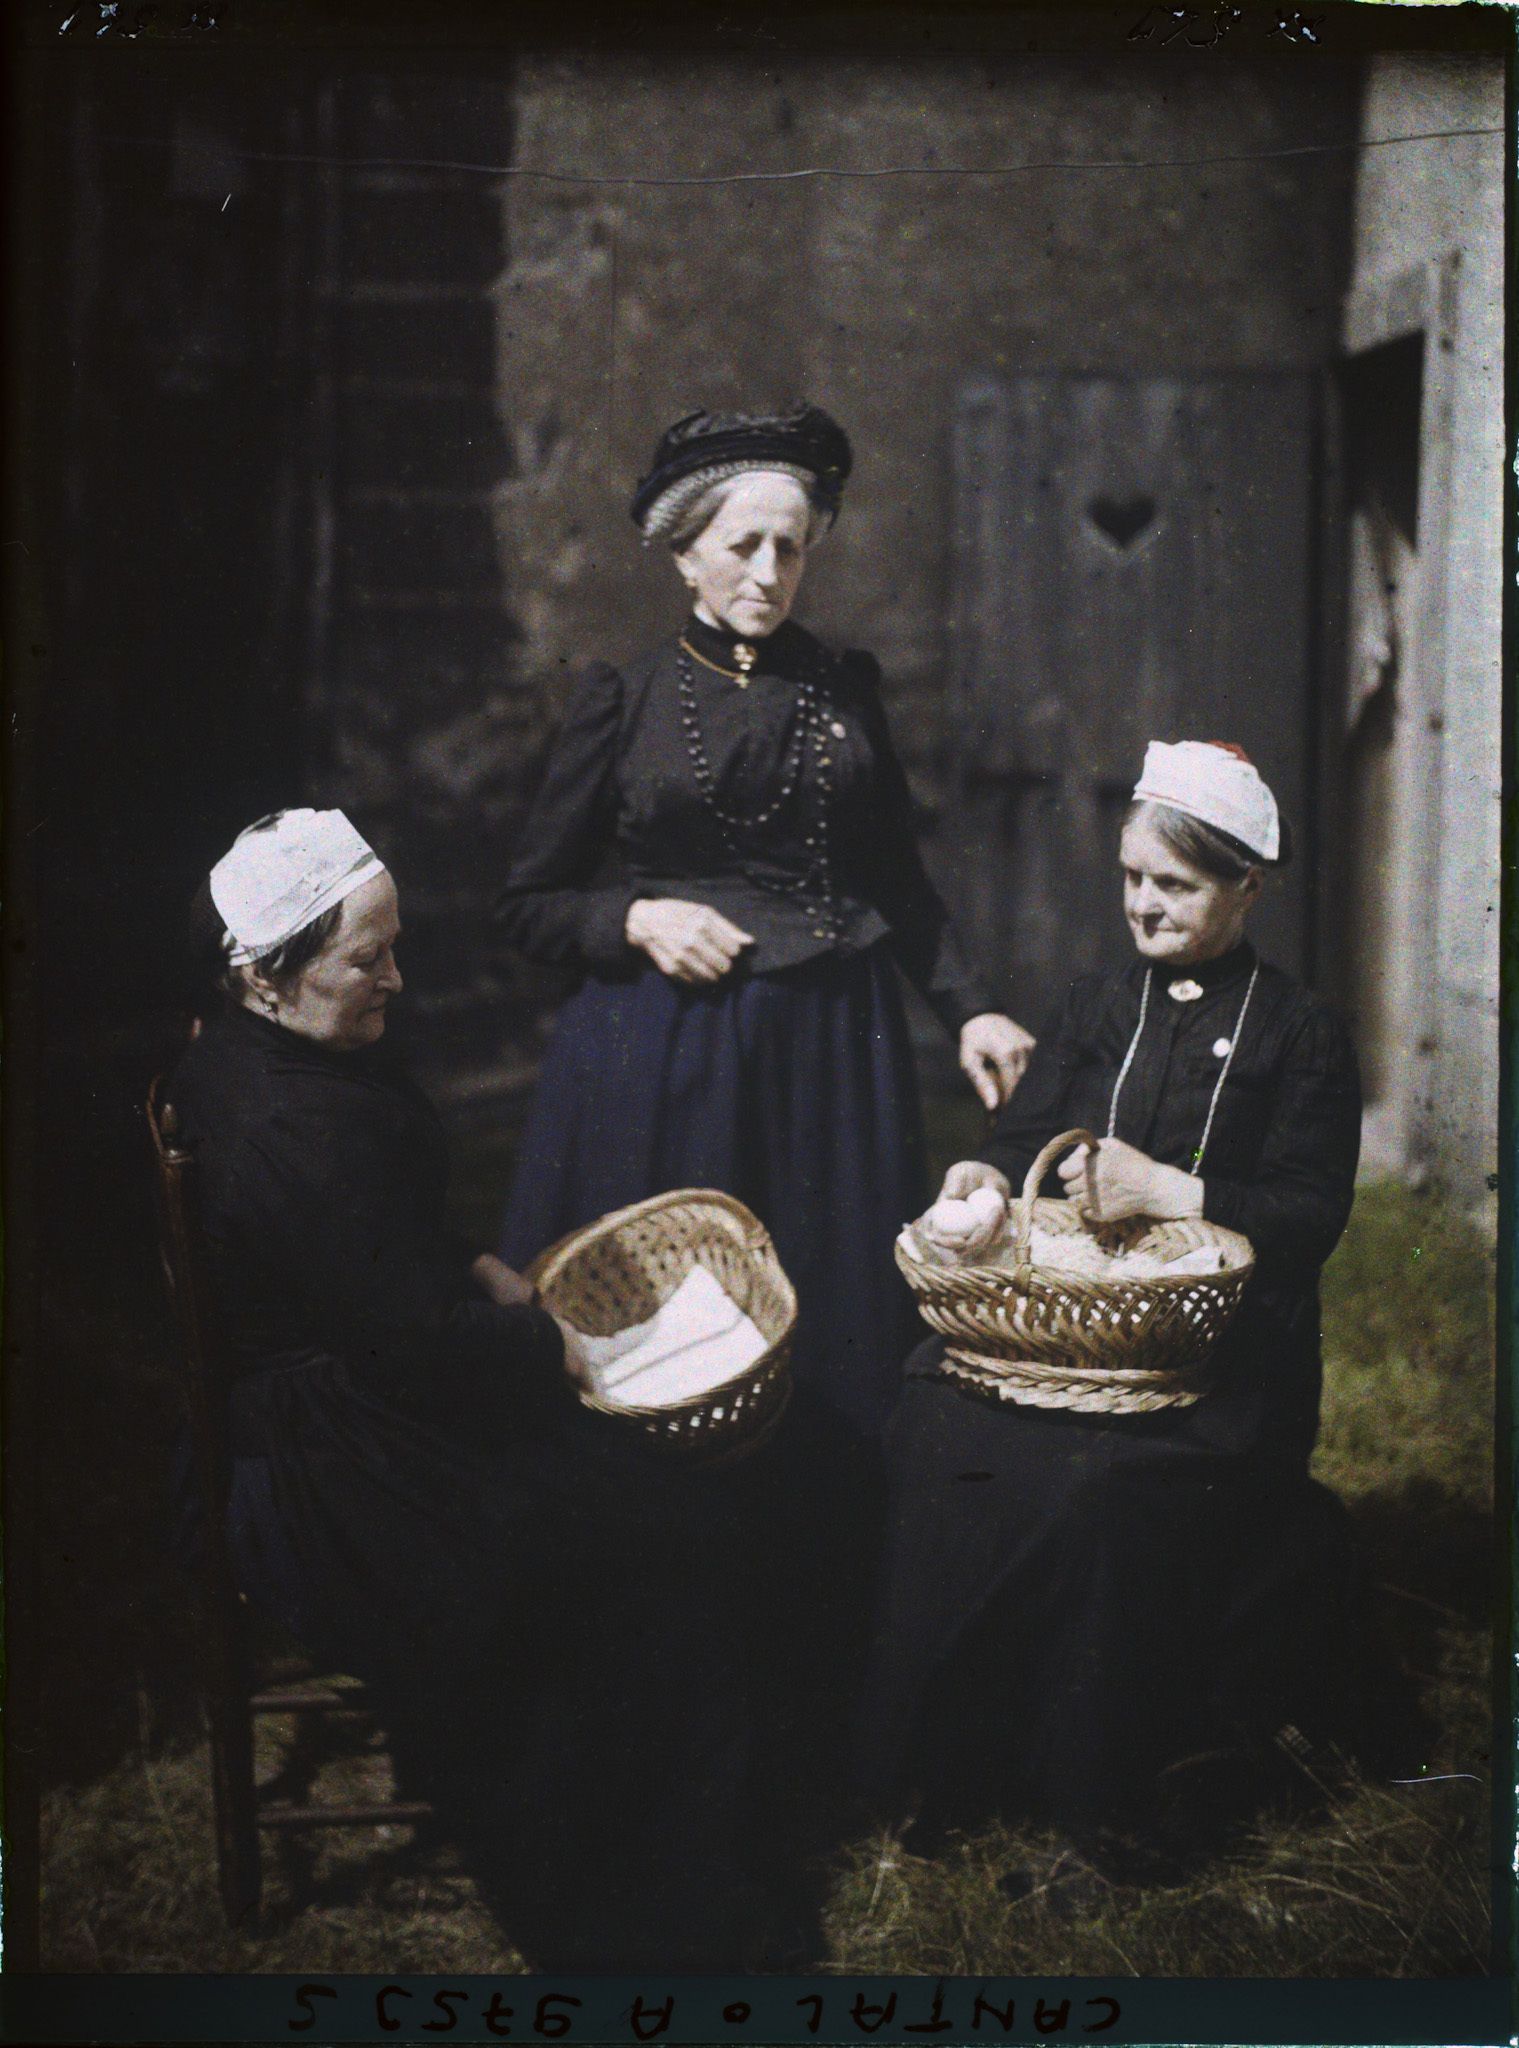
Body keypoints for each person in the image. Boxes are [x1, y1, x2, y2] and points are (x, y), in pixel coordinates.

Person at [168, 807, 792, 1970]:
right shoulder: (280, 1124)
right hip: (316, 1464)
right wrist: (540, 1343)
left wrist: (475, 1266)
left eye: (393, 945)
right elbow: (401, 1340)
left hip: (366, 1387)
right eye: (368, 958)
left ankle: (677, 1856)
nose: (397, 977)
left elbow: (373, 1257)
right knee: (641, 1541)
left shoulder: (281, 1055)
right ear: (267, 971)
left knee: (649, 1513)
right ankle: (650, 1919)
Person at [859, 741, 1422, 1879]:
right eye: (1130, 878)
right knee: (934, 1425)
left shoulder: (1297, 1031)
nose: (1143, 905)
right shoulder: (1092, 1004)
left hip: (1220, 1368)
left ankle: (1094, 1782)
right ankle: (949, 1760)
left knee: (1093, 1489)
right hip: (1074, 1339)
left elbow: (1312, 1213)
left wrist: (1178, 1191)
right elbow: (1024, 1144)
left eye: (1175, 884)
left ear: (1246, 886)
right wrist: (980, 1178)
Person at [495, 403, 1033, 1439]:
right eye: (741, 544)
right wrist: (638, 916)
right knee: (667, 1337)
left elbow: (899, 882)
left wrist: (972, 1008)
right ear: (682, 552)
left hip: (833, 1051)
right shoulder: (625, 699)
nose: (768, 570)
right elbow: (528, 905)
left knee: (830, 1327)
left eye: (790, 546)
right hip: (668, 1055)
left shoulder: (844, 691)